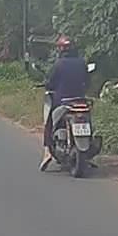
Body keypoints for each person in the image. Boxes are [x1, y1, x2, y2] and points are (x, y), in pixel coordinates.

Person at [40, 36, 90, 171]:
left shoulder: (59, 64)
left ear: (61, 49)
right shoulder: (82, 63)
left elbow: (50, 82)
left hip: (62, 100)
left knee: (49, 122)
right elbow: (87, 81)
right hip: (80, 100)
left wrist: (47, 85)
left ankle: (47, 152)